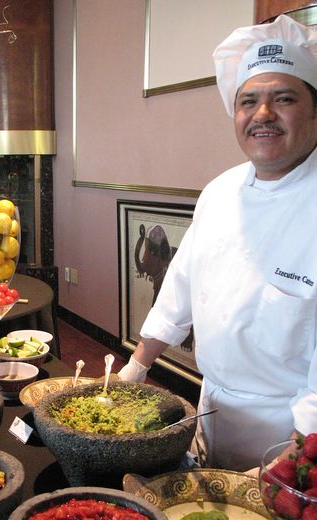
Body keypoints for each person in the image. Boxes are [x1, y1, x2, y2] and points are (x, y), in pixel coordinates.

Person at [118, 14, 317, 472]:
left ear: (313, 109)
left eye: (283, 98)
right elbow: (179, 289)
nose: (262, 114)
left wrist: (291, 464)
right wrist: (138, 366)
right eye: (249, 101)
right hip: (215, 410)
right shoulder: (220, 191)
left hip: (295, 437)